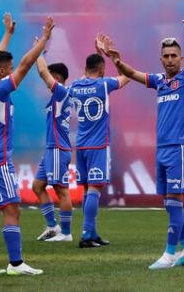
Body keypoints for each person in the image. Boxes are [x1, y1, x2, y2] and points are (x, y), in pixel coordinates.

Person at [99, 8, 184, 269]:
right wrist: (115, 59)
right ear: (161, 59)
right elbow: (132, 73)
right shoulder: (159, 81)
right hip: (163, 150)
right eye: (166, 56)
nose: (170, 59)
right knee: (170, 204)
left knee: (175, 201)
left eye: (174, 56)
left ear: (181, 58)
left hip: (180, 148)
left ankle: (169, 254)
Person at [0, 13, 53, 276]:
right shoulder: (0, 89)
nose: (13, 67)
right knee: (12, 209)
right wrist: (44, 42)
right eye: (10, 66)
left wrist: (8, 34)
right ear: (4, 72)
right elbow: (27, 65)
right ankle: (16, 264)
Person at [68, 38, 131, 248]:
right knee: (95, 189)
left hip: (81, 145)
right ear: (103, 70)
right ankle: (86, 234)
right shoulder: (104, 84)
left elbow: (88, 72)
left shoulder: (75, 85)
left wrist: (98, 55)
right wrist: (110, 58)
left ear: (85, 68)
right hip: (98, 146)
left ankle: (92, 232)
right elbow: (127, 77)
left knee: (87, 189)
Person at [31, 55, 74, 242]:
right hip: (52, 149)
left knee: (61, 190)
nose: (46, 79)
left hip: (58, 148)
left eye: (51, 75)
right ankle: (52, 227)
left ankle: (66, 233)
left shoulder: (61, 92)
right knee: (37, 186)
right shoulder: (58, 96)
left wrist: (37, 52)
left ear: (56, 78)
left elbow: (41, 71)